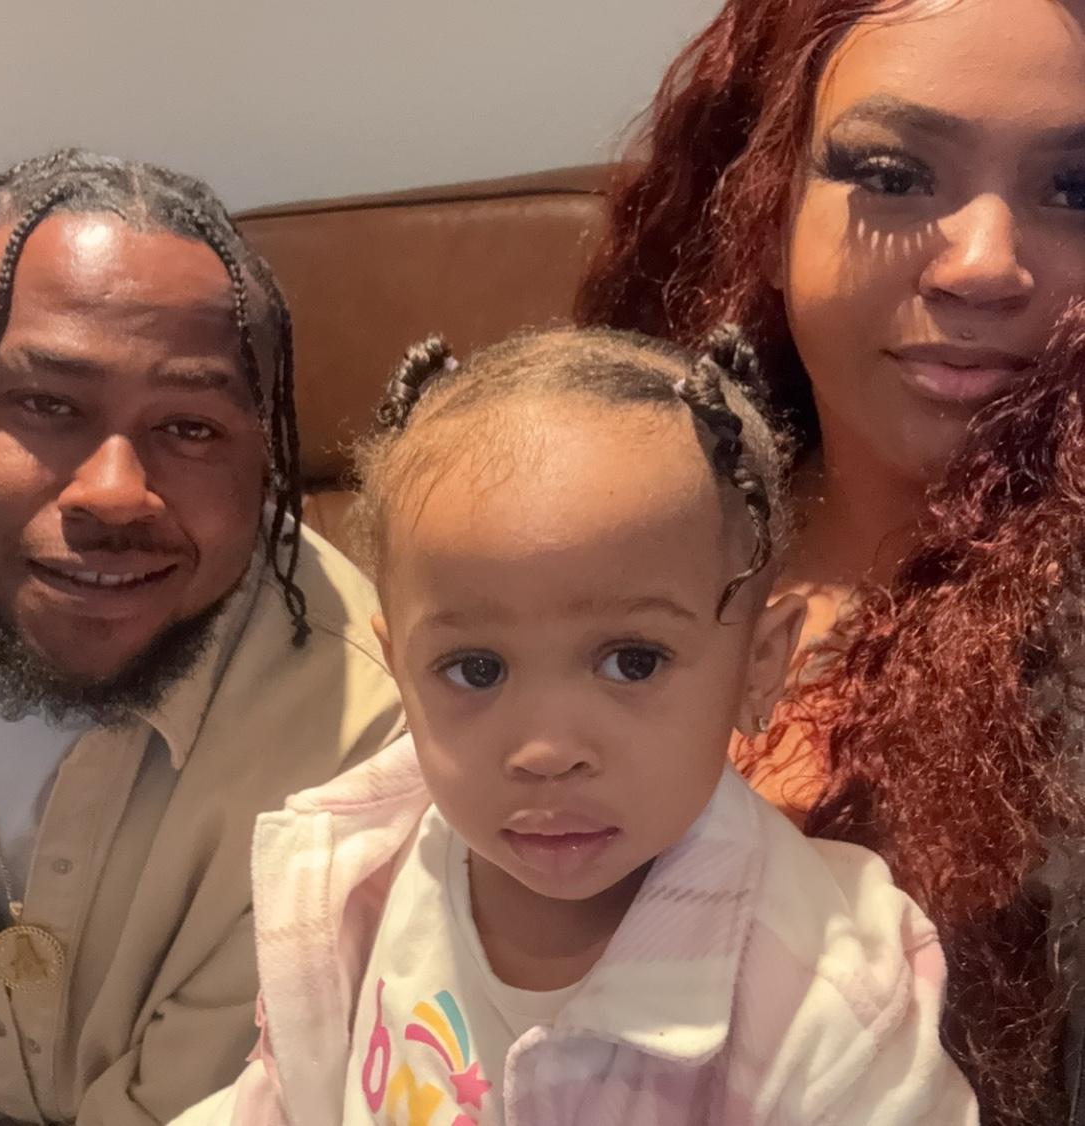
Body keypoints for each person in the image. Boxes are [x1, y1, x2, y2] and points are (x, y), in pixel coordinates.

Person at [173, 328, 977, 1124]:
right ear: (400, 668)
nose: (548, 752)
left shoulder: (829, 1008)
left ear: (759, 663)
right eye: (475, 669)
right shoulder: (357, 881)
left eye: (633, 662)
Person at [0, 150, 403, 1124]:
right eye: (47, 406)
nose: (116, 492)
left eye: (192, 428)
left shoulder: (367, 741)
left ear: (266, 459)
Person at [576, 0, 1085, 816]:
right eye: (893, 177)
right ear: (768, 218)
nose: (983, 267)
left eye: (1076, 190)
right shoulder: (601, 534)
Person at [781, 299, 1085, 1124]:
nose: (980, 267)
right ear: (770, 239)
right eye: (892, 176)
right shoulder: (598, 510)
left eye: (1075, 216)